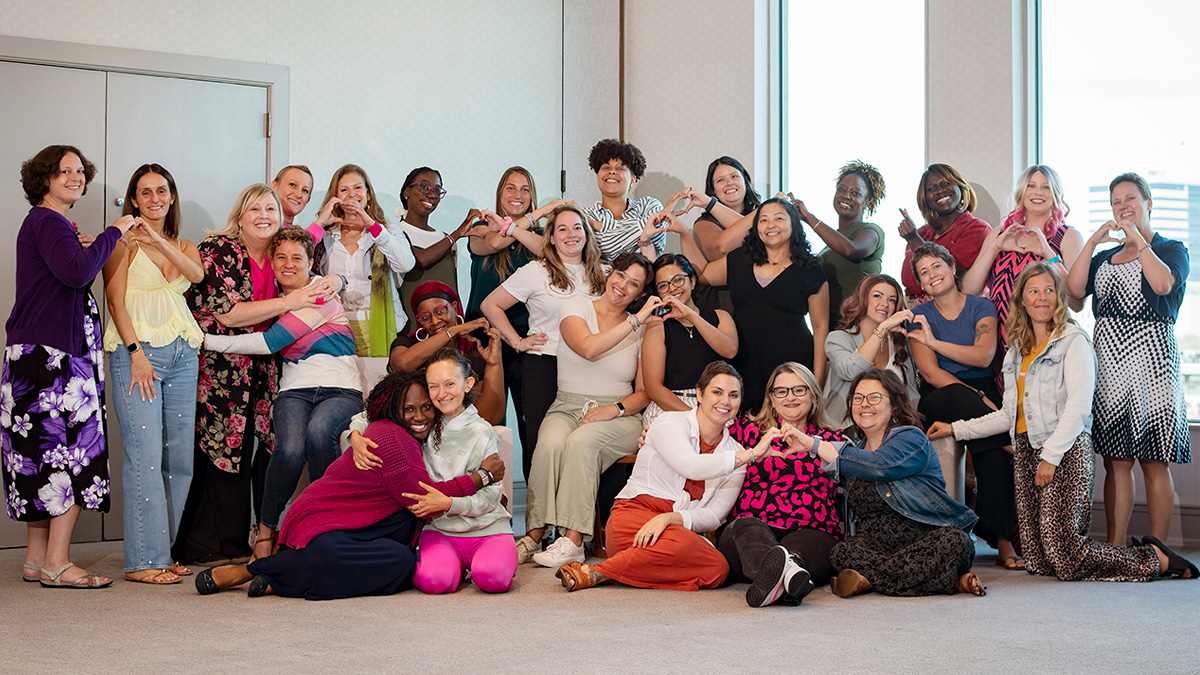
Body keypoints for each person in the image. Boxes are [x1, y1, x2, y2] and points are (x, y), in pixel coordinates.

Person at [931, 263, 1197, 582]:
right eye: (1034, 291)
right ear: (1022, 301)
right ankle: (1142, 556)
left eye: (1049, 290)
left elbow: (1079, 408)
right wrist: (955, 429)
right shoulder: (1017, 352)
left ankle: (1155, 559)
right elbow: (1007, 415)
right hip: (1027, 453)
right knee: (1039, 558)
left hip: (1065, 450)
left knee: (1067, 558)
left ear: (1058, 298)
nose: (1042, 297)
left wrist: (1051, 457)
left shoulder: (1074, 341)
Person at [193, 369, 505, 600]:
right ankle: (256, 569)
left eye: (427, 407)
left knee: (399, 561)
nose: (420, 416)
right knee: (400, 563)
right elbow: (423, 500)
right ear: (392, 408)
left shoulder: (397, 431)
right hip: (326, 527)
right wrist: (481, 477)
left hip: (360, 527)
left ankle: (281, 579)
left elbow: (367, 419)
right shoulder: (395, 440)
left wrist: (357, 431)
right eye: (409, 409)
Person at [173, 184, 339, 565]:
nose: (264, 216)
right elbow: (228, 314)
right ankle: (206, 545)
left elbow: (309, 259)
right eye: (255, 209)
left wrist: (337, 281)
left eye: (271, 209)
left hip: (265, 367)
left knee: (260, 451)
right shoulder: (220, 251)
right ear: (241, 216)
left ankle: (246, 539)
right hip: (221, 367)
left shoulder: (279, 255)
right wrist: (292, 300)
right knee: (221, 452)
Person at [3, 145, 136, 588]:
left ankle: (37, 559)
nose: (76, 177)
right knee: (69, 456)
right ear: (45, 178)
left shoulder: (50, 224)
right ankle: (59, 563)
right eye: (66, 171)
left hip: (37, 358)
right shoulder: (46, 220)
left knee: (39, 457)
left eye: (81, 171)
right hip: (53, 361)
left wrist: (90, 244)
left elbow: (68, 269)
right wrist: (113, 233)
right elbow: (78, 274)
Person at [200, 227, 364, 560]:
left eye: (297, 258)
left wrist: (204, 340)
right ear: (272, 262)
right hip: (295, 391)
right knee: (287, 448)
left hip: (341, 390)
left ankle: (324, 526)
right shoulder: (275, 299)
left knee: (320, 434)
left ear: (310, 263)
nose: (289, 264)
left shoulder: (320, 291)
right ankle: (266, 530)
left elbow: (269, 342)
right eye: (281, 257)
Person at [1066, 173, 1191, 545]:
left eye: (1131, 199)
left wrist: (1138, 241)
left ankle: (1158, 548)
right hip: (1109, 365)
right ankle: (1117, 546)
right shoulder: (1104, 257)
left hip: (1154, 364)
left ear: (1148, 203)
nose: (1124, 206)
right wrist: (1091, 242)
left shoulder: (1171, 249)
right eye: (1116, 201)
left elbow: (1163, 285)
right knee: (1115, 460)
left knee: (1155, 460)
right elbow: (1074, 293)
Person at [553, 362, 754, 593]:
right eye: (717, 392)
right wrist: (750, 455)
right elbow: (691, 466)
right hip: (634, 518)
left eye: (734, 395)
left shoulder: (734, 450)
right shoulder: (670, 423)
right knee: (689, 547)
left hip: (675, 532)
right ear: (699, 394)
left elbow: (714, 516)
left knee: (717, 569)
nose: (725, 402)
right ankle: (603, 571)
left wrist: (669, 519)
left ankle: (612, 571)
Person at [519, 252, 662, 567]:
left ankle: (572, 540)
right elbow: (587, 347)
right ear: (611, 273)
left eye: (634, 284)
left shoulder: (643, 329)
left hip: (621, 414)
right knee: (550, 445)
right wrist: (633, 321)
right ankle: (534, 534)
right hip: (567, 405)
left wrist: (614, 409)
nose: (623, 286)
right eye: (621, 276)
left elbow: (643, 394)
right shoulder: (576, 307)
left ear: (640, 294)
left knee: (582, 442)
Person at [791, 369, 983, 598]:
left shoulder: (911, 438)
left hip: (926, 537)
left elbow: (880, 466)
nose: (865, 404)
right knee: (842, 552)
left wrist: (814, 444)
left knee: (954, 543)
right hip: (876, 544)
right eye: (858, 398)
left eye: (874, 397)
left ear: (894, 406)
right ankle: (948, 581)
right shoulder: (854, 447)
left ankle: (869, 580)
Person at [101, 163, 204, 584]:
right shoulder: (121, 243)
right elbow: (115, 301)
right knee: (145, 457)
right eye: (145, 193)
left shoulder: (184, 244)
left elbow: (196, 276)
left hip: (184, 353)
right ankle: (144, 560)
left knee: (179, 460)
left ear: (172, 196)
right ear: (134, 199)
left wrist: (157, 237)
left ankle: (166, 552)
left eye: (162, 191)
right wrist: (134, 352)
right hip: (138, 355)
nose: (155, 199)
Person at [907, 242, 1021, 569]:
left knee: (993, 454)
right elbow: (931, 371)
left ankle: (1001, 540)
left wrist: (935, 342)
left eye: (937, 267)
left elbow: (983, 355)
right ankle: (1010, 440)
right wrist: (977, 397)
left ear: (953, 268)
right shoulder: (917, 316)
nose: (933, 275)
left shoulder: (981, 307)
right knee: (986, 421)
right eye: (924, 273)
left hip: (983, 387)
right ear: (921, 283)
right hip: (941, 393)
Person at [481, 204, 606, 475]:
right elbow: (491, 305)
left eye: (577, 227)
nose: (571, 234)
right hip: (544, 364)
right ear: (551, 237)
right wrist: (517, 341)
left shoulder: (604, 274)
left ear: (587, 234)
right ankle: (540, 515)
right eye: (562, 229)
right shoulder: (536, 271)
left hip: (590, 368)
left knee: (583, 441)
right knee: (541, 442)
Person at [670, 198, 829, 412]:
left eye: (779, 218)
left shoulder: (811, 269)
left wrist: (816, 384)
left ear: (793, 224)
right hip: (745, 363)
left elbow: (820, 329)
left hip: (792, 367)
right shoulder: (739, 260)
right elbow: (703, 273)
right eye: (763, 220)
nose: (771, 225)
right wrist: (684, 233)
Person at [717, 363, 847, 606]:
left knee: (801, 554)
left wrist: (812, 444)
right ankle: (789, 577)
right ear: (771, 398)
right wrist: (656, 433)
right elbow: (703, 430)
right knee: (746, 528)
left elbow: (857, 466)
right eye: (782, 391)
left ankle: (779, 575)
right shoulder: (745, 432)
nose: (790, 397)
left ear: (813, 396)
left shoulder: (832, 439)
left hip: (812, 531)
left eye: (799, 389)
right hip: (749, 529)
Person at [465, 168, 565, 452]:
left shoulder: (539, 236)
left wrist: (526, 226)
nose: (518, 195)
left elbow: (553, 253)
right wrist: (544, 210)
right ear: (500, 193)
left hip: (525, 335)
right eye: (511, 188)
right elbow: (495, 242)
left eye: (525, 189)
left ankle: (535, 491)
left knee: (529, 420)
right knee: (484, 417)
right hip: (482, 336)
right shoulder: (482, 225)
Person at [403, 349, 517, 594]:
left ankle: (481, 565)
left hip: (487, 528)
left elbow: (490, 497)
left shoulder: (482, 431)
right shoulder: (424, 423)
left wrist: (448, 503)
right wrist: (357, 432)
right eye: (433, 386)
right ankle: (458, 568)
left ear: (467, 384)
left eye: (450, 384)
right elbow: (373, 414)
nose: (441, 394)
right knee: (436, 582)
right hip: (441, 530)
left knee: (492, 578)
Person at [962, 165, 1084, 344]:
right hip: (998, 343)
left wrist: (1047, 252)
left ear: (1056, 193)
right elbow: (969, 291)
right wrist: (995, 247)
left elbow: (1077, 303)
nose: (1038, 193)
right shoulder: (998, 235)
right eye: (1031, 186)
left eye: (1046, 187)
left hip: (1046, 344)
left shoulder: (1068, 236)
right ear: (1021, 191)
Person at [308, 164, 416, 357]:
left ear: (368, 195)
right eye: (343, 189)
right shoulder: (324, 237)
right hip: (334, 326)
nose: (351, 194)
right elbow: (295, 257)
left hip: (379, 325)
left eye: (357, 188)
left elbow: (405, 264)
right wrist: (320, 223)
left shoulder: (387, 232)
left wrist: (373, 227)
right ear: (335, 198)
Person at [641, 253, 738, 427]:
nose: (672, 288)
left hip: (716, 402)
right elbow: (653, 388)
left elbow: (730, 350)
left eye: (678, 280)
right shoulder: (657, 326)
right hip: (671, 405)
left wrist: (691, 316)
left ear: (692, 281)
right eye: (663, 285)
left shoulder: (720, 316)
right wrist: (696, 418)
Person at [389, 280, 505, 425]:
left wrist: (494, 363)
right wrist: (453, 331)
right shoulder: (407, 344)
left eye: (440, 311)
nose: (434, 321)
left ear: (455, 308)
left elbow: (489, 417)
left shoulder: (475, 352)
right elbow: (402, 364)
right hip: (415, 426)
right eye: (425, 317)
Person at [790, 160, 887, 327]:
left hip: (857, 325)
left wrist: (809, 218)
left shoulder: (871, 232)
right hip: (830, 325)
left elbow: (851, 250)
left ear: (868, 201)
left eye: (855, 193)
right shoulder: (831, 242)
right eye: (841, 189)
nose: (845, 196)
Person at [824, 274, 919, 429]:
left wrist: (908, 428)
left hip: (892, 430)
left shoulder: (900, 343)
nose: (885, 304)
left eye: (892, 300)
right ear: (863, 299)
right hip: (846, 431)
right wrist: (882, 329)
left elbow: (911, 395)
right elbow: (851, 371)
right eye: (877, 296)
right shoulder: (837, 338)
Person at [898, 164, 993, 304]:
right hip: (915, 313)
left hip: (956, 311)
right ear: (925, 199)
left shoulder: (977, 228)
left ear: (960, 187)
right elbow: (909, 282)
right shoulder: (921, 233)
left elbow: (956, 276)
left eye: (946, 184)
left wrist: (914, 240)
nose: (940, 191)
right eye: (932, 189)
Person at [396, 166, 478, 330]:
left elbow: (452, 290)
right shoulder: (394, 234)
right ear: (406, 192)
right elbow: (420, 260)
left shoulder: (446, 239)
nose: (431, 194)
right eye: (424, 187)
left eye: (437, 190)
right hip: (411, 332)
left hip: (447, 335)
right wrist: (457, 234)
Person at [581, 138, 665, 262]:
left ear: (632, 180)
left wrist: (595, 225)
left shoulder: (649, 205)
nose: (612, 172)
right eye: (606, 167)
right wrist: (643, 229)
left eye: (620, 168)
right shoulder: (586, 214)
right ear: (598, 176)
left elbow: (657, 229)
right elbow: (608, 248)